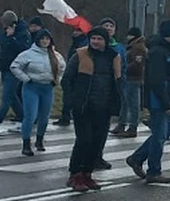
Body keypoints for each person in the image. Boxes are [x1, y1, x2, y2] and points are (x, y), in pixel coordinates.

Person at [61, 27, 121, 192]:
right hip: (84, 106)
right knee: (84, 140)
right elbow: (67, 80)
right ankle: (75, 174)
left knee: (97, 142)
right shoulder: (80, 55)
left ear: (105, 41)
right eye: (93, 38)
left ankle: (88, 173)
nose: (95, 42)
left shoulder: (113, 57)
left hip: (104, 107)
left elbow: (118, 81)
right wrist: (73, 99)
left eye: (99, 39)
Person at [126, 19, 170, 184]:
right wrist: (167, 104)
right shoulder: (159, 52)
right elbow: (157, 80)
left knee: (163, 134)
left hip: (165, 97)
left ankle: (137, 158)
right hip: (158, 100)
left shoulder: (167, 49)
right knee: (159, 136)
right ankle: (154, 171)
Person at [11, 28, 66, 157]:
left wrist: (57, 79)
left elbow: (62, 68)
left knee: (44, 117)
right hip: (31, 87)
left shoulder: (55, 55)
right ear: (37, 40)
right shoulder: (28, 54)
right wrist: (26, 78)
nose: (45, 41)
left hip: (47, 88)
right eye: (42, 39)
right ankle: (26, 143)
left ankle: (40, 140)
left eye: (47, 39)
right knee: (30, 116)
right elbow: (14, 66)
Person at [0, 10, 29, 135]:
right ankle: (23, 119)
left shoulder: (23, 34)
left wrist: (12, 38)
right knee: (12, 96)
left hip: (16, 69)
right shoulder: (4, 33)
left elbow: (24, 50)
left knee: (6, 97)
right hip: (4, 68)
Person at [53, 28, 88, 127]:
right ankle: (65, 116)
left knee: (71, 97)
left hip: (77, 74)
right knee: (66, 95)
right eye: (75, 31)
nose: (75, 33)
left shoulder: (82, 43)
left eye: (78, 31)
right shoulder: (76, 42)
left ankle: (68, 116)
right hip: (72, 73)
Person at [116, 27, 146, 138]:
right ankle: (122, 124)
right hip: (130, 78)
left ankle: (132, 127)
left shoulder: (138, 48)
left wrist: (124, 68)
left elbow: (137, 64)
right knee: (125, 102)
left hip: (134, 78)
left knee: (132, 104)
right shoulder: (133, 46)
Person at [99, 18, 126, 135]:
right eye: (106, 26)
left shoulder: (119, 47)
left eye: (111, 26)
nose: (109, 28)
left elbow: (124, 64)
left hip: (114, 84)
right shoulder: (93, 44)